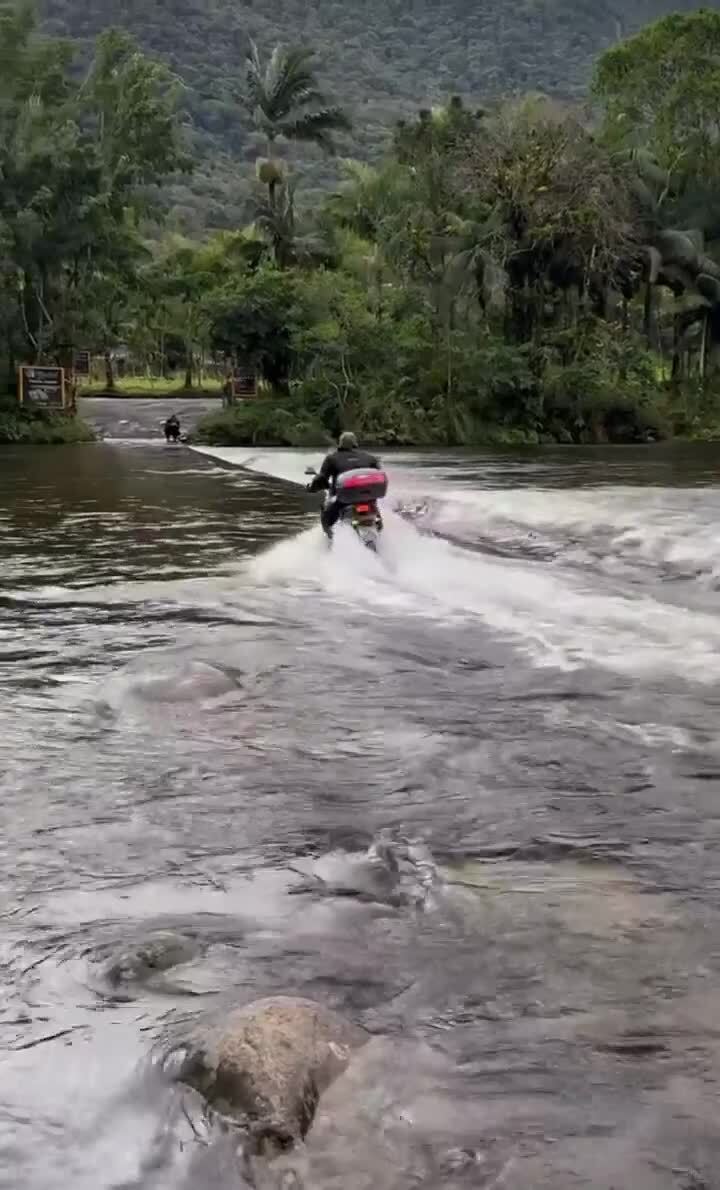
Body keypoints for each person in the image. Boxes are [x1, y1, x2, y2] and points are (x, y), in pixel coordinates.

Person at [307, 431, 381, 536]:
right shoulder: (369, 458)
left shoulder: (331, 458)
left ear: (340, 443)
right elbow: (378, 475)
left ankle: (331, 540)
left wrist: (312, 488)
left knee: (326, 517)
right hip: (367, 498)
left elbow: (322, 478)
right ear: (355, 443)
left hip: (343, 499)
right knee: (376, 514)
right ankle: (379, 529)